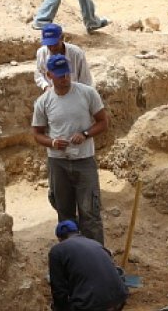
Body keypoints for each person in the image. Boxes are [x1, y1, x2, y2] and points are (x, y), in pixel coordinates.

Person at [32, 55, 109, 244]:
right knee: (65, 214)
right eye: (59, 75)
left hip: (84, 161)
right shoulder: (43, 102)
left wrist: (85, 133)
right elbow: (37, 133)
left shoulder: (87, 93)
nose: (64, 78)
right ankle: (71, 256)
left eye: (66, 73)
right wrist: (52, 143)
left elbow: (103, 122)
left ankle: (96, 257)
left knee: (90, 213)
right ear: (49, 75)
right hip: (58, 163)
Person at [48, 220, 128, 311]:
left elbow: (58, 289)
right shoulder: (95, 244)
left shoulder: (57, 251)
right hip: (119, 300)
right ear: (78, 232)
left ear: (59, 238)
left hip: (91, 306)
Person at [35, 23, 93, 92]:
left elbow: (86, 81)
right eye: (49, 44)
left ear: (62, 38)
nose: (52, 48)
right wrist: (46, 87)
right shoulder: (41, 53)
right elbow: (39, 73)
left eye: (54, 43)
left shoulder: (77, 54)